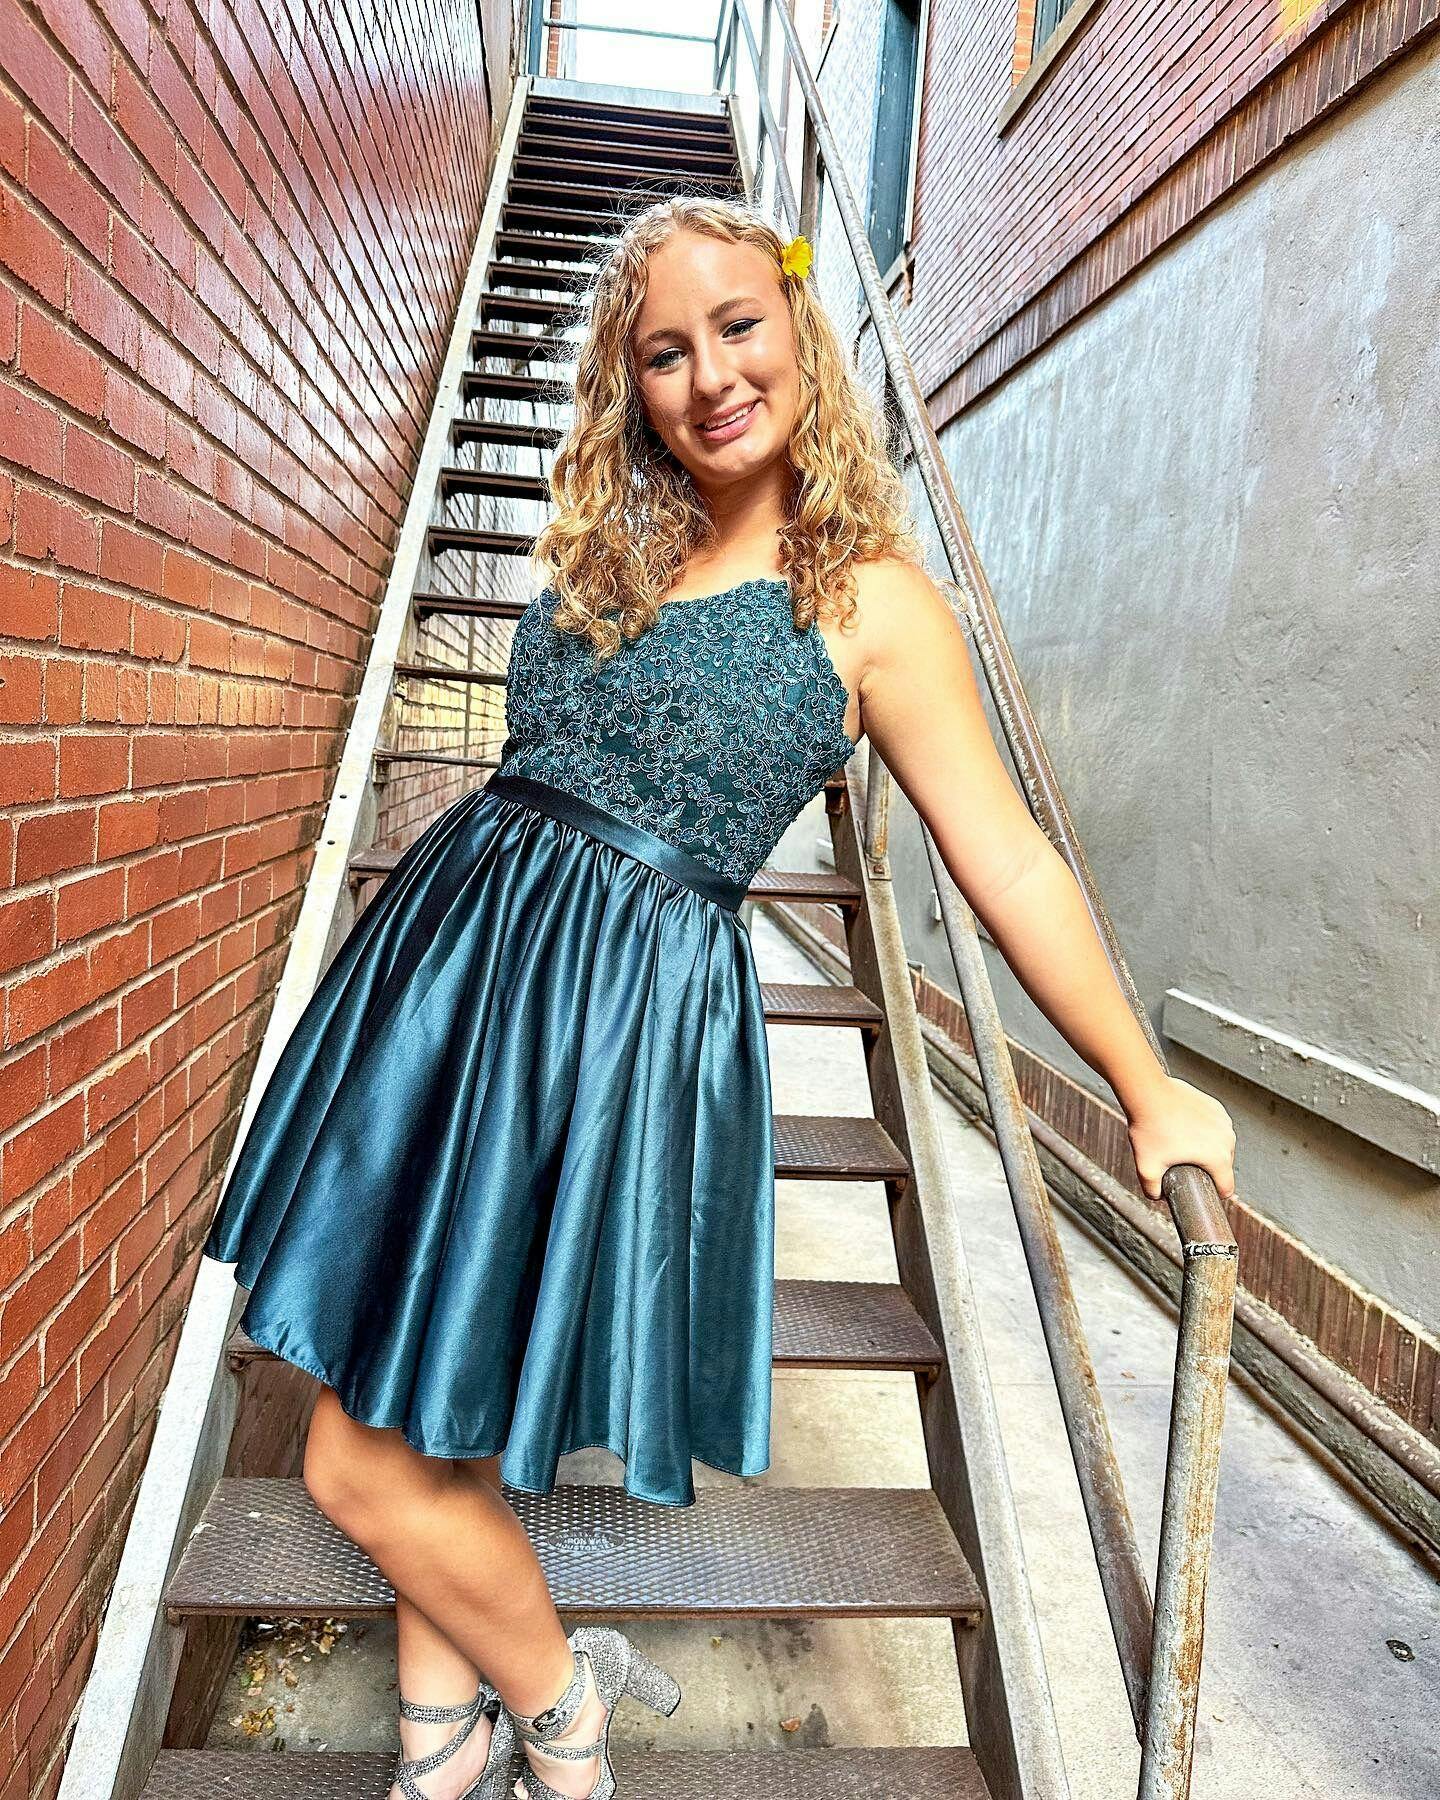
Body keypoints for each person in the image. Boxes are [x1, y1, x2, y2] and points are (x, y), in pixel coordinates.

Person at [202, 194, 1237, 1800]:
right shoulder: (612, 547)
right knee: (423, 1399)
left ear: (800, 329)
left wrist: (1144, 1085)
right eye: (665, 352)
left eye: (740, 327)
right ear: (631, 384)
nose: (711, 377)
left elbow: (1011, 863)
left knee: (352, 1464)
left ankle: (561, 1709)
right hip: (461, 986)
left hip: (615, 1025)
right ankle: (443, 1741)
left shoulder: (874, 603)